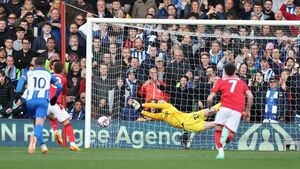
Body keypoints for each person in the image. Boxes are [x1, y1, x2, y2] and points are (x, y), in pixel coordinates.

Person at [16, 57, 63, 154]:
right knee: (39, 125)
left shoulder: (29, 73)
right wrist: (55, 97)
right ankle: (34, 138)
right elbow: (60, 86)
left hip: (30, 102)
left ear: (34, 65)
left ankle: (43, 145)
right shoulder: (48, 74)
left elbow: (20, 81)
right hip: (42, 101)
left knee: (35, 125)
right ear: (44, 65)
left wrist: (18, 93)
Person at [207, 63, 253, 160]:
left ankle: (220, 152)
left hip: (224, 108)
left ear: (224, 71)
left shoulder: (221, 81)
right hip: (237, 110)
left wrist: (210, 109)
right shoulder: (241, 82)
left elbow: (209, 99)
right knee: (229, 133)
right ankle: (227, 136)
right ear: (235, 71)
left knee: (218, 129)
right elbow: (250, 96)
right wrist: (247, 111)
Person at [130, 99, 221, 132]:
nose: (161, 102)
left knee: (209, 111)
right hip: (188, 125)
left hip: (189, 116)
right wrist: (140, 110)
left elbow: (154, 105)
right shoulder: (162, 115)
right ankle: (226, 123)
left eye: (161, 101)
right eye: (160, 102)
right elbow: (151, 115)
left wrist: (142, 105)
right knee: (212, 124)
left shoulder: (168, 106)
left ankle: (224, 103)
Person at [48, 62, 81, 151]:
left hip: (46, 103)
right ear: (63, 70)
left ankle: (55, 131)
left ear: (53, 69)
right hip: (55, 103)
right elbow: (63, 92)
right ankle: (73, 144)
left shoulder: (49, 77)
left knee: (52, 117)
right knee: (67, 123)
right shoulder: (63, 79)